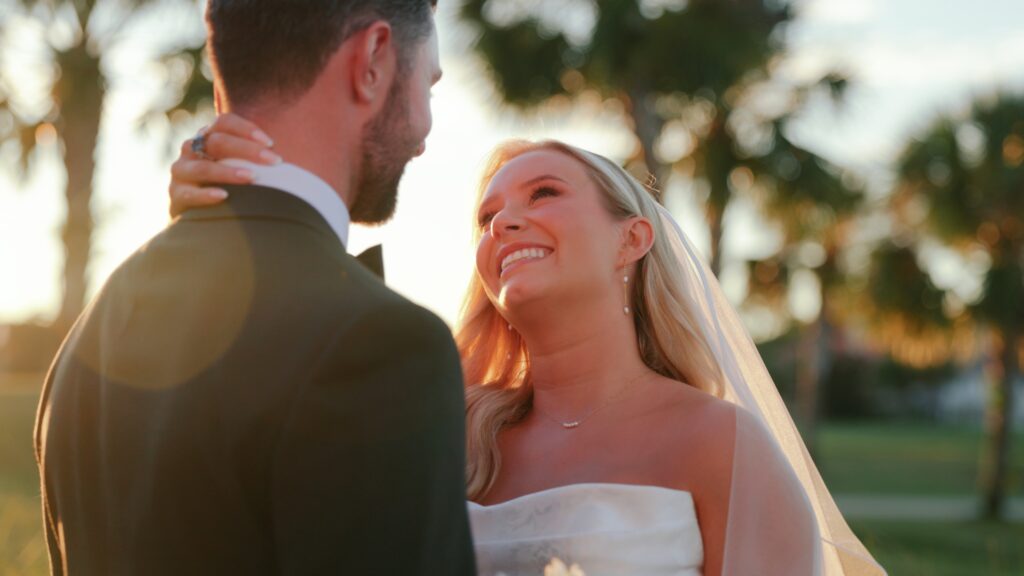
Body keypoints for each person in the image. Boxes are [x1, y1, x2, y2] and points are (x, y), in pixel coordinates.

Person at [170, 126, 887, 575]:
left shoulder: (721, 444)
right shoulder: (440, 431)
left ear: (631, 240)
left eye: (544, 193)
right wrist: (225, 228)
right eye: (487, 216)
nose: (505, 220)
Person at [34, 1, 476, 575]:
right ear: (372, 60)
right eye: (430, 85)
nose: (423, 133)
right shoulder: (386, 345)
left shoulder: (92, 330)